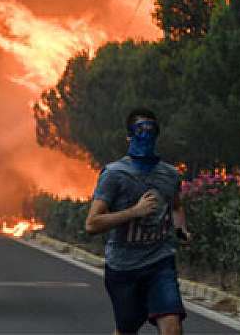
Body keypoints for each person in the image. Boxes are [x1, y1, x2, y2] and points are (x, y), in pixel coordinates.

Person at [85, 108, 190, 335]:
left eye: (150, 131)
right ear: (129, 136)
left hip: (160, 262)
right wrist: (135, 211)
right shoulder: (114, 174)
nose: (146, 136)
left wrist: (181, 230)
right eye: (140, 131)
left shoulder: (170, 174)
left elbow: (176, 206)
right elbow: (92, 224)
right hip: (123, 267)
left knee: (172, 324)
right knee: (126, 329)